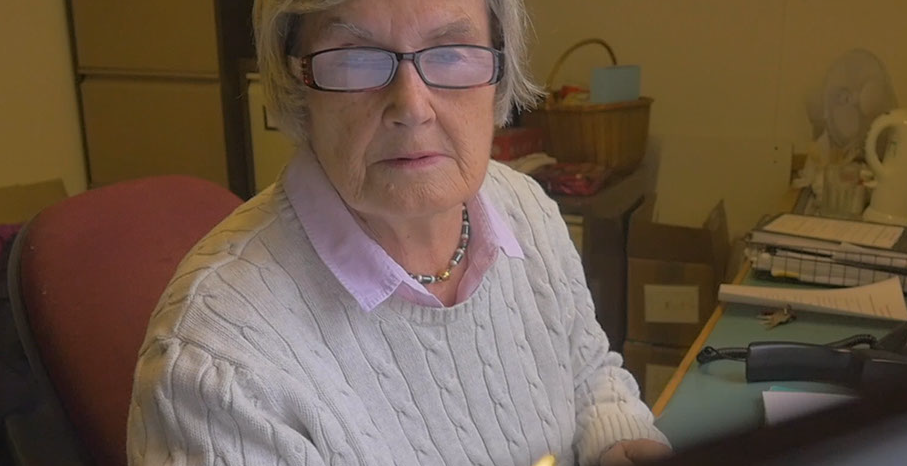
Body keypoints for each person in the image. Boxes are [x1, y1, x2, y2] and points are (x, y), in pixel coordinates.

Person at [125, 0, 671, 464]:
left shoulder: (524, 207)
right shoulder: (216, 368)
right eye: (357, 60)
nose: (411, 107)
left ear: (499, 72)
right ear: (298, 82)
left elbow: (588, 374)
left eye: (452, 53)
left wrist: (615, 440)